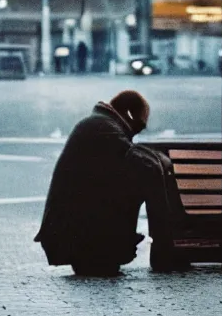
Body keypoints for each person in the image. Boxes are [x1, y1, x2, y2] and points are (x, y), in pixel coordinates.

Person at [34, 89, 186, 276]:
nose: (134, 134)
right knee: (150, 172)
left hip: (67, 233)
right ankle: (165, 250)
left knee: (149, 170)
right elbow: (145, 165)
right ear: (129, 115)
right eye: (138, 127)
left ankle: (161, 246)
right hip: (71, 238)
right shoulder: (104, 129)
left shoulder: (97, 124)